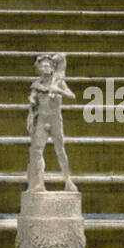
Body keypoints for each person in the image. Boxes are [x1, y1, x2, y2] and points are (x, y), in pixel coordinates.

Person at [26, 53, 76, 193]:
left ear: (53, 67)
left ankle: (68, 180)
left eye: (48, 65)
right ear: (40, 68)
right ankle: (38, 184)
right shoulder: (37, 85)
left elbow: (72, 96)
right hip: (41, 119)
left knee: (60, 150)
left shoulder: (59, 82)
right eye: (43, 66)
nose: (45, 68)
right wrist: (31, 102)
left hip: (55, 120)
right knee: (37, 151)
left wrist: (58, 90)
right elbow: (32, 101)